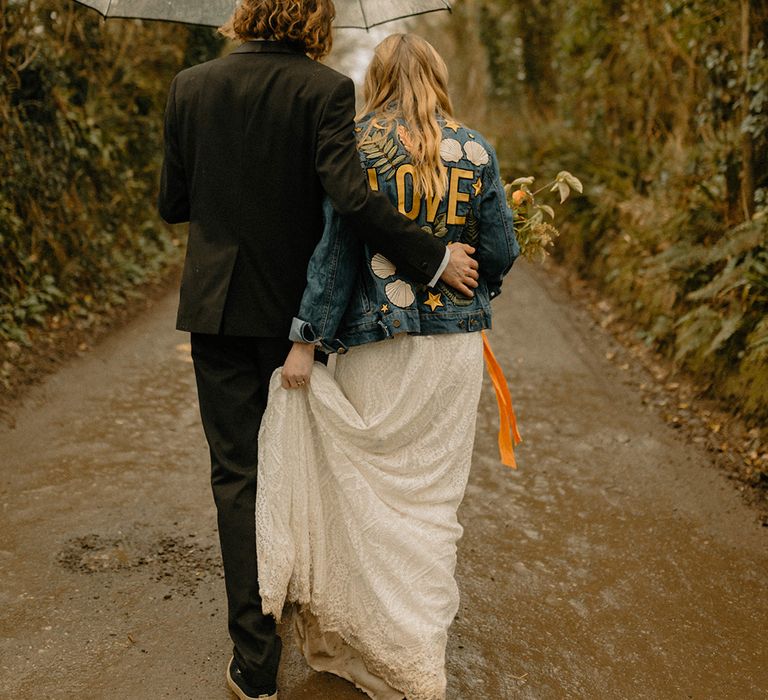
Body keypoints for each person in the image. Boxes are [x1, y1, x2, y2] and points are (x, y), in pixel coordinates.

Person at [157, 2, 480, 699]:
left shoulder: (191, 87)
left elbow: (172, 202)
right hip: (295, 313)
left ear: (246, 13)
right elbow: (353, 199)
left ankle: (255, 663)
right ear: (315, 21)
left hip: (217, 307)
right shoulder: (325, 91)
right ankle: (311, 608)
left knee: (238, 475)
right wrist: (432, 258)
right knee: (304, 463)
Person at [256, 33, 520, 700]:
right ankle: (418, 654)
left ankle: (370, 643)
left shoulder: (360, 147)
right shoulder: (476, 149)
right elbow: (502, 251)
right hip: (450, 353)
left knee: (368, 494)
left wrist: (305, 340)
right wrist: (470, 283)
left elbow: (333, 257)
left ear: (375, 78)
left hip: (377, 347)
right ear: (438, 74)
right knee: (432, 503)